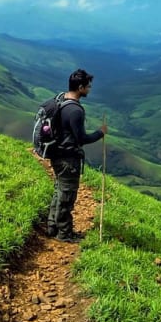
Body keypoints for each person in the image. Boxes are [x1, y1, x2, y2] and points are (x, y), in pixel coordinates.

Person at [47, 68, 107, 242]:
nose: (89, 89)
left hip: (56, 154)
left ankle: (52, 226)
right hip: (67, 158)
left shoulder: (61, 100)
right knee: (67, 196)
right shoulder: (76, 111)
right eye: (88, 86)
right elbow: (81, 138)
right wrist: (100, 133)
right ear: (80, 87)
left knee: (59, 191)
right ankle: (64, 233)